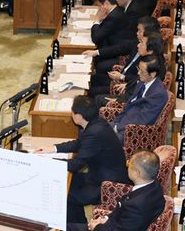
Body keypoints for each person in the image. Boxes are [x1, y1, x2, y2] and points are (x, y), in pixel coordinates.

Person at [37, 96, 129, 224]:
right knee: (69, 182)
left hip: (107, 185)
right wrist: (54, 148)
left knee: (66, 194)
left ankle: (77, 226)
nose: (71, 114)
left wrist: (47, 163)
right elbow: (80, 143)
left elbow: (76, 165)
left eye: (72, 111)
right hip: (100, 175)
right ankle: (80, 222)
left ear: (79, 116)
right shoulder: (96, 123)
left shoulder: (94, 132)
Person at [68, 150, 165, 231]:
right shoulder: (154, 185)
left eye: (129, 164)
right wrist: (105, 219)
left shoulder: (137, 206)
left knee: (65, 227)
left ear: (137, 173)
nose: (127, 167)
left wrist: (96, 227)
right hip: (113, 223)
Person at [110, 54, 168, 143]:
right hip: (122, 123)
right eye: (138, 69)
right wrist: (115, 123)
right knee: (93, 129)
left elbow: (143, 120)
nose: (138, 73)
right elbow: (128, 106)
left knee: (99, 139)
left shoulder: (158, 94)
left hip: (132, 133)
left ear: (152, 74)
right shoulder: (142, 82)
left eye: (142, 71)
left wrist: (117, 128)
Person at [89, 31, 164, 98]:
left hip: (127, 92)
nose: (138, 45)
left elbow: (142, 82)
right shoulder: (147, 56)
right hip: (126, 81)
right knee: (94, 79)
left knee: (92, 92)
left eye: (142, 43)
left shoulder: (152, 64)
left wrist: (126, 84)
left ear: (150, 50)